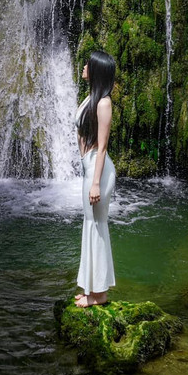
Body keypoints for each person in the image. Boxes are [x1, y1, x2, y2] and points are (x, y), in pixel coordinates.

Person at [74, 50, 117, 308]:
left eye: (88, 64)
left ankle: (98, 294)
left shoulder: (103, 103)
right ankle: (92, 289)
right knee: (91, 225)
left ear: (97, 70)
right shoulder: (91, 98)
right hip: (89, 167)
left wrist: (95, 182)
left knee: (97, 227)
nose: (84, 66)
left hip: (98, 171)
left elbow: (101, 147)